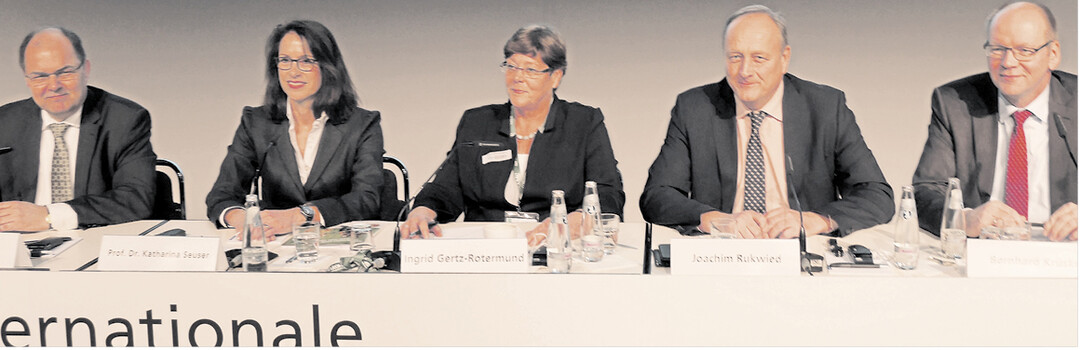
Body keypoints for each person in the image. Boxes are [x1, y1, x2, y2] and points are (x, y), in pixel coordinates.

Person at [640, 5, 893, 238]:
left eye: (759, 58)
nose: (745, 72)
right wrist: (715, 219)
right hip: (723, 252)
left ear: (784, 58)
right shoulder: (695, 108)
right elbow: (657, 196)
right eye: (735, 57)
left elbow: (876, 195)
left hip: (801, 254)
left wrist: (817, 220)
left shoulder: (825, 107)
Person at [402, 25, 624, 245]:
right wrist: (423, 211)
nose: (517, 77)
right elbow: (445, 189)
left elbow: (608, 194)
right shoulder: (477, 122)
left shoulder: (583, 122)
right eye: (511, 67)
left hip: (555, 244)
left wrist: (570, 221)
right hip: (487, 247)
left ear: (555, 77)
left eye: (530, 70)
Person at [913, 2, 1076, 241]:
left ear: (1053, 54)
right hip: (986, 252)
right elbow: (925, 193)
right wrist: (965, 220)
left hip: (1065, 255)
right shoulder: (955, 103)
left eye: (1024, 50)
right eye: (997, 49)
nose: (1008, 62)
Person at [206, 20, 384, 235]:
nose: (293, 72)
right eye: (285, 60)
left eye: (306, 61)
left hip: (340, 245)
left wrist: (302, 215)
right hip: (275, 245)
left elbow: (366, 199)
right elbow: (222, 195)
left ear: (328, 67)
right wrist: (244, 220)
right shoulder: (256, 122)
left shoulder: (362, 125)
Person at [0, 27, 156, 231]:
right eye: (40, 76)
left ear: (86, 69)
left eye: (64, 73)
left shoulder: (125, 119)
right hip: (17, 245)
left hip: (92, 238)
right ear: (27, 80)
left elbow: (135, 199)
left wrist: (50, 216)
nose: (54, 85)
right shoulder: (5, 122)